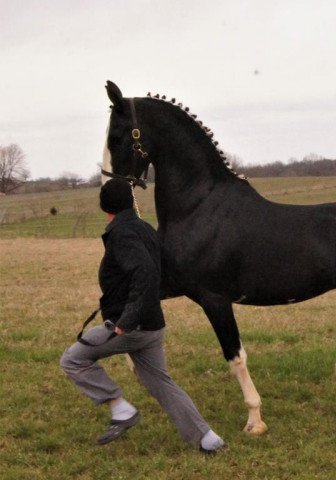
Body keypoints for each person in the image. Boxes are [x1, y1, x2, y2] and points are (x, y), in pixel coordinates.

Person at [60, 178, 224, 452]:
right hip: (152, 325)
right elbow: (157, 270)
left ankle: (121, 410)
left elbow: (145, 272)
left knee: (73, 360)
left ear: (104, 206)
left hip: (131, 327)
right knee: (160, 381)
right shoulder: (144, 228)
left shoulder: (122, 234)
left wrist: (127, 319)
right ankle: (208, 439)